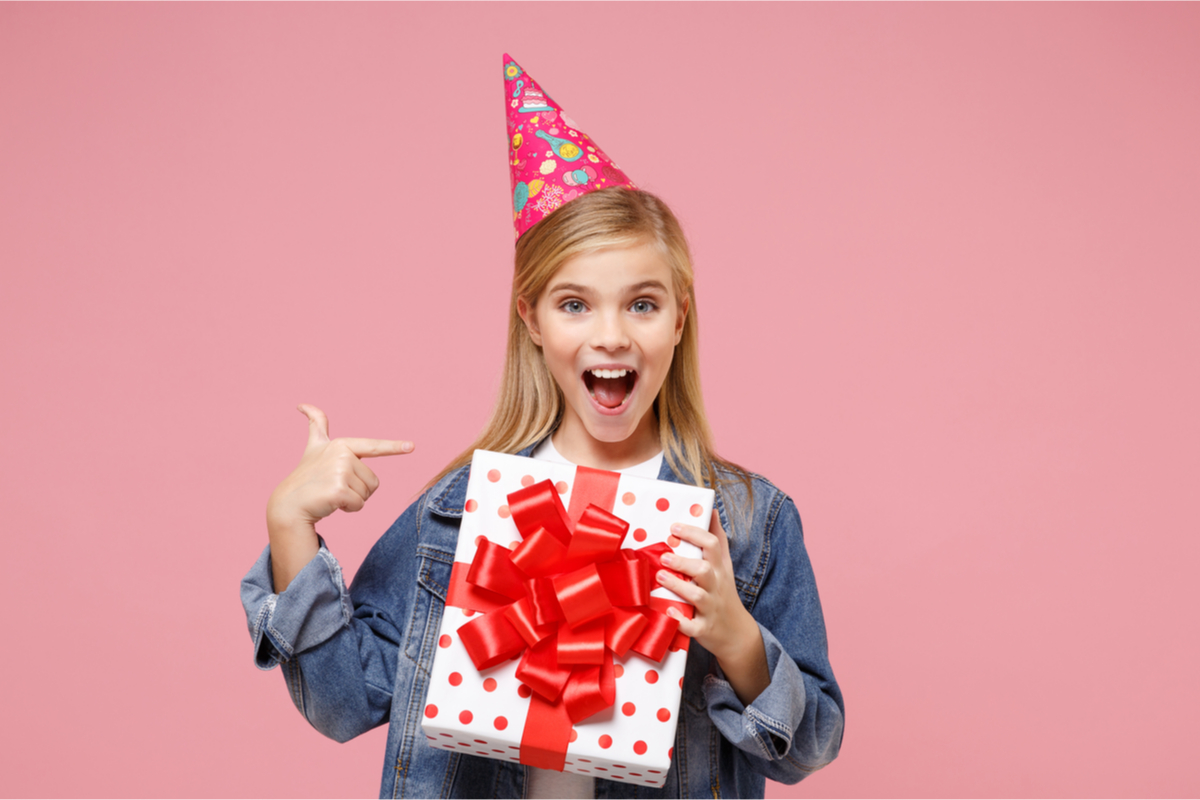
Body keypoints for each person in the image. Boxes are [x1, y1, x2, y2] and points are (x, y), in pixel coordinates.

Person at [241, 54, 844, 799]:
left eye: (643, 304)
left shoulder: (751, 524)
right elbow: (344, 704)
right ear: (530, 318)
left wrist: (735, 637)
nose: (612, 336)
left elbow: (810, 747)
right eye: (575, 304)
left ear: (680, 318)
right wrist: (289, 528)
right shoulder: (457, 510)